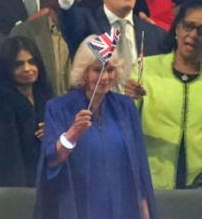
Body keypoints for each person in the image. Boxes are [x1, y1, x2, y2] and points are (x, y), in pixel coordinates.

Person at [35, 35, 157, 219]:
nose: (105, 77)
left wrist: (145, 212)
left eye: (110, 70)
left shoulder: (125, 107)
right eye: (97, 70)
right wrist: (72, 134)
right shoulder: (59, 108)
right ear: (84, 72)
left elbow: (139, 166)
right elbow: (51, 160)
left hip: (122, 205)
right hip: (79, 205)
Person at [131, 0, 202, 189]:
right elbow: (122, 122)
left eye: (201, 30)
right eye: (188, 26)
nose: (194, 35)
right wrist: (126, 99)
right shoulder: (144, 70)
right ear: (177, 29)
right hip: (152, 186)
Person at [0, 35, 51, 188]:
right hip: (10, 182)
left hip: (43, 179)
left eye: (32, 62)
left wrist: (53, 130)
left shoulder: (46, 97)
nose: (27, 69)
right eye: (18, 64)